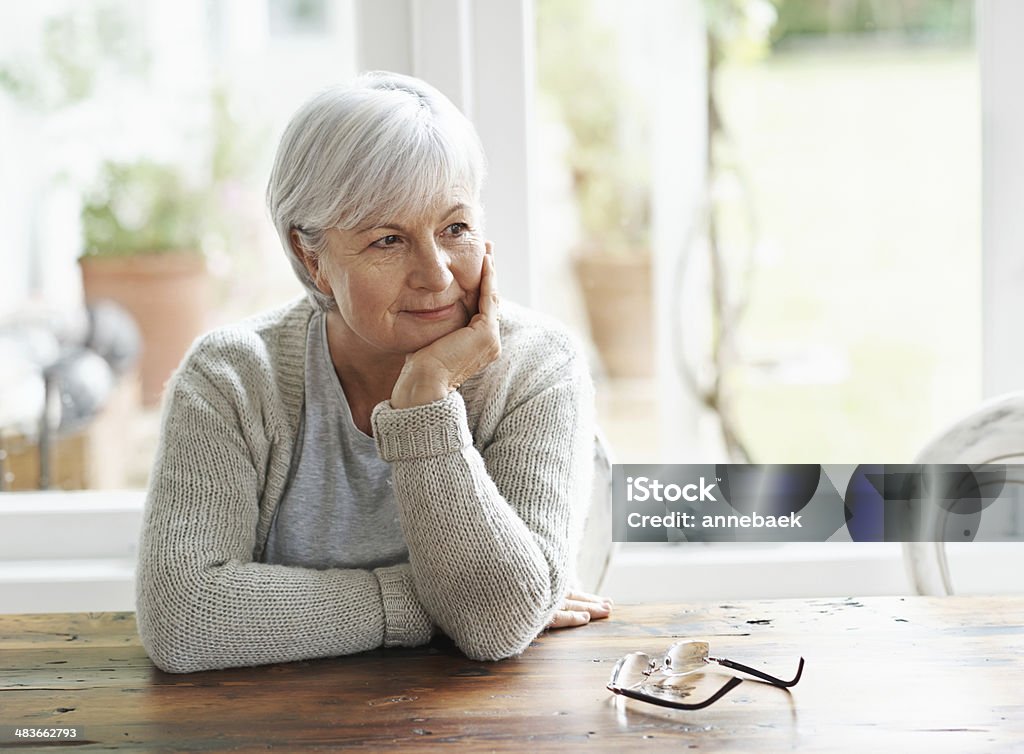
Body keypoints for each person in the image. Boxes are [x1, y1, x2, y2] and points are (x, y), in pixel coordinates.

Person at [135, 71, 611, 673]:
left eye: (455, 228)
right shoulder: (231, 377)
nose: (436, 274)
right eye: (388, 239)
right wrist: (429, 603)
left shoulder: (539, 367)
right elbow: (185, 618)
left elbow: (495, 629)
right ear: (312, 256)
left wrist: (425, 404)